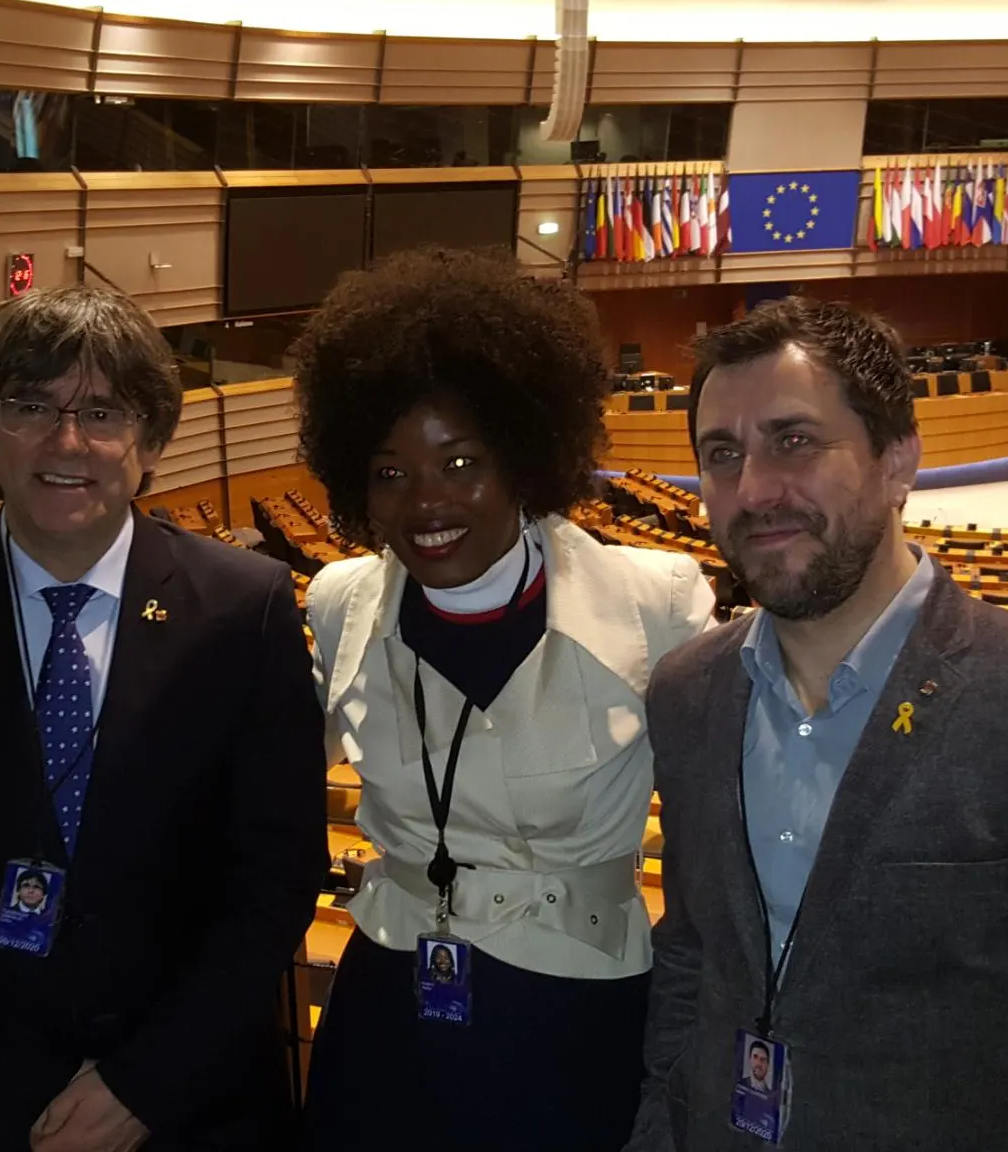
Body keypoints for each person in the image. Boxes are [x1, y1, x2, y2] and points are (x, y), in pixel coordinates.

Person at [625, 298, 1008, 1152]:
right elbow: (692, 959)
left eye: (794, 440)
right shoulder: (687, 693)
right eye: (723, 455)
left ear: (898, 461)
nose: (754, 489)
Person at [0, 285, 329, 1152]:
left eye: (102, 411)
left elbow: (275, 875)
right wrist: (23, 1091)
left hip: (195, 1107)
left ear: (152, 442)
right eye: (31, 407)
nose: (67, 442)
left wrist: (141, 1086)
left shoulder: (247, 608)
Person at [293, 248, 715, 1152]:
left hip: (577, 1006)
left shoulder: (658, 600)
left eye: (460, 461)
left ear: (525, 459)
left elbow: (712, 841)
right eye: (390, 472)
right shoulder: (338, 603)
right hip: (390, 1001)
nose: (425, 502)